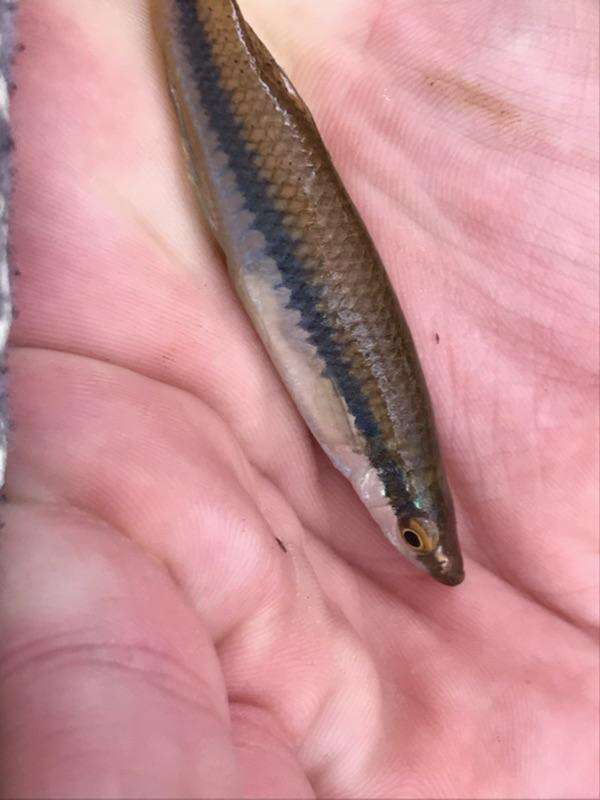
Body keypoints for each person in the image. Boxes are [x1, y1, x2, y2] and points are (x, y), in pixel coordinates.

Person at [2, 0, 598, 797]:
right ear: (392, 484)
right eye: (414, 534)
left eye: (416, 540)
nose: (413, 544)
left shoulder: (378, 451)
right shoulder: (375, 442)